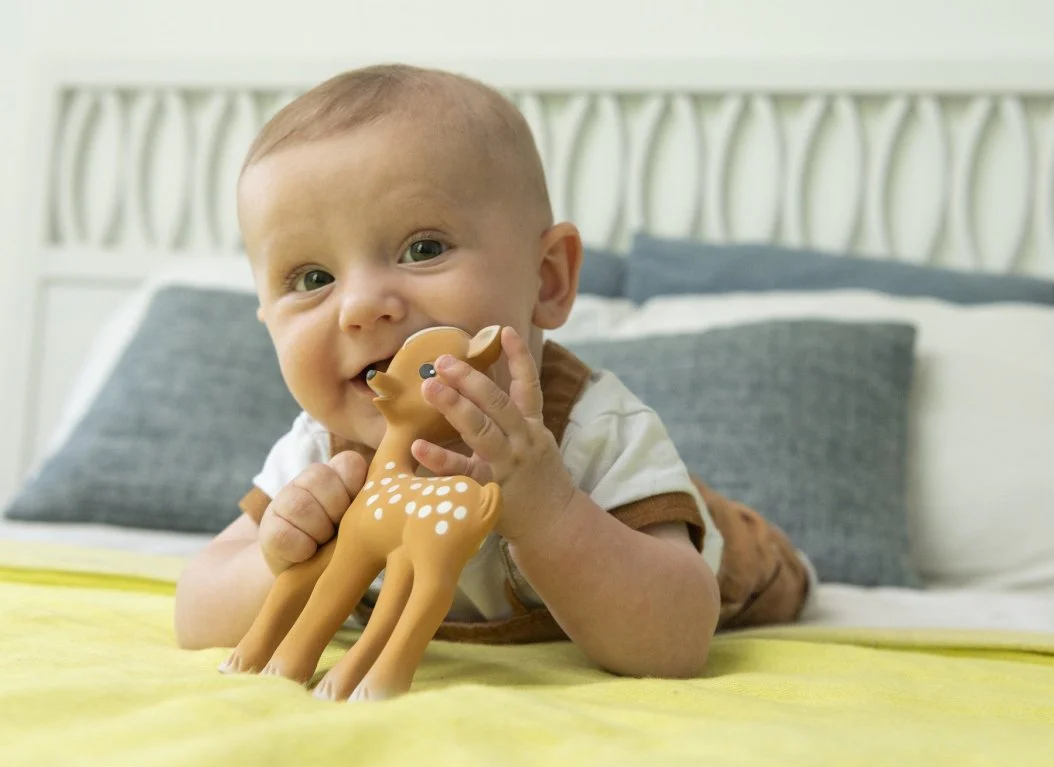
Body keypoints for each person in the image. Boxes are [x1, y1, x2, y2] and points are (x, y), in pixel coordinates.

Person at [174, 64, 813, 679]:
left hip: (727, 564)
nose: (363, 307)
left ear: (549, 279)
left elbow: (674, 644)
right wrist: (278, 556)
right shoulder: (319, 454)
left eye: (423, 249)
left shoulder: (594, 432)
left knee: (755, 556)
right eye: (312, 279)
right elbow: (195, 614)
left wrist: (550, 512)